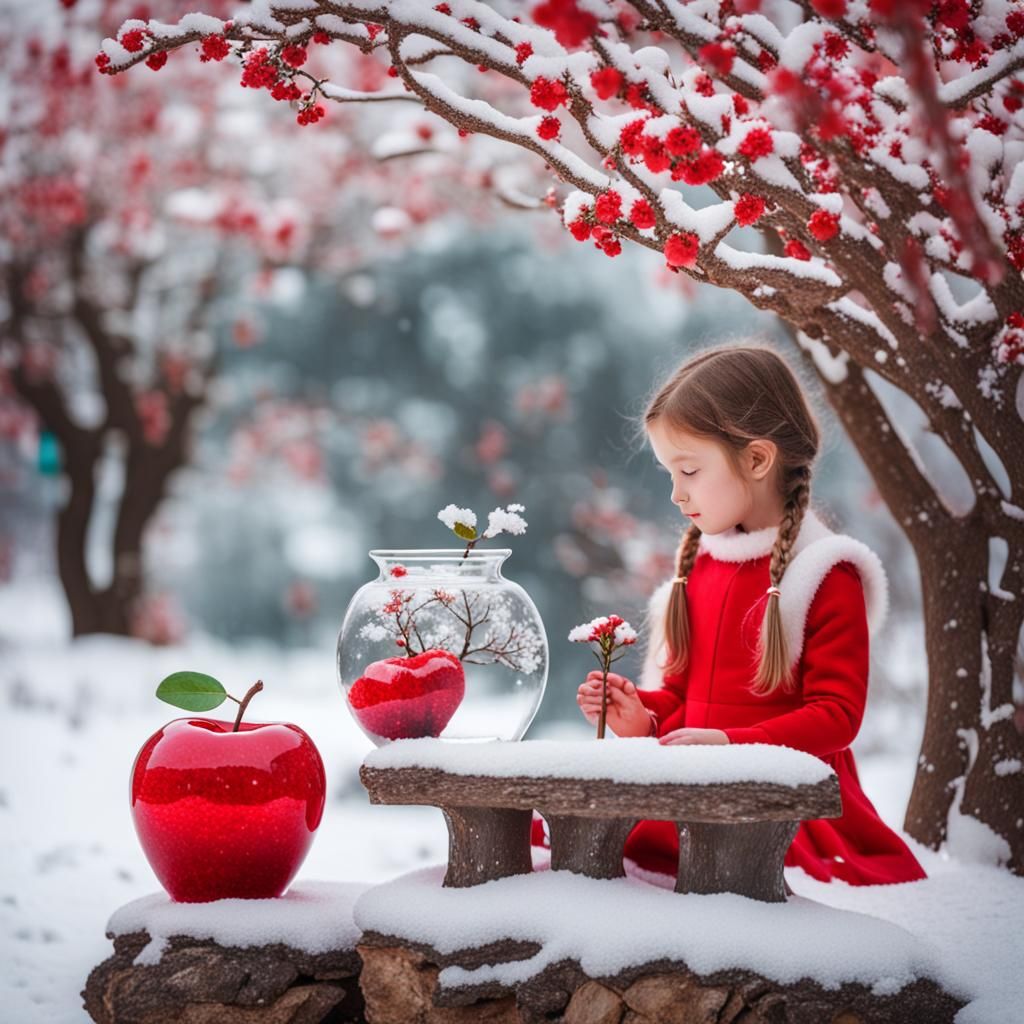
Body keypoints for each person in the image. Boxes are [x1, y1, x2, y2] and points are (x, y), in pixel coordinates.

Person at [572, 344, 926, 886]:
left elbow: (836, 717)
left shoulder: (824, 574)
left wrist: (732, 747)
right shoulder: (699, 568)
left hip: (788, 810)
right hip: (696, 792)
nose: (675, 493)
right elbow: (685, 700)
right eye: (670, 472)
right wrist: (640, 716)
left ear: (758, 460)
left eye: (688, 469)